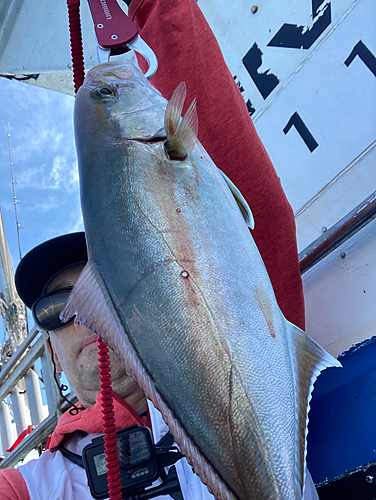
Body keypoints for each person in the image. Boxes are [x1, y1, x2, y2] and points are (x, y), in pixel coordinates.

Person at [0, 0, 314, 498]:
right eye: (56, 309)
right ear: (53, 362)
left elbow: (252, 213)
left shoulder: (248, 349)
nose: (81, 317)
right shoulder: (31, 486)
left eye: (105, 287)